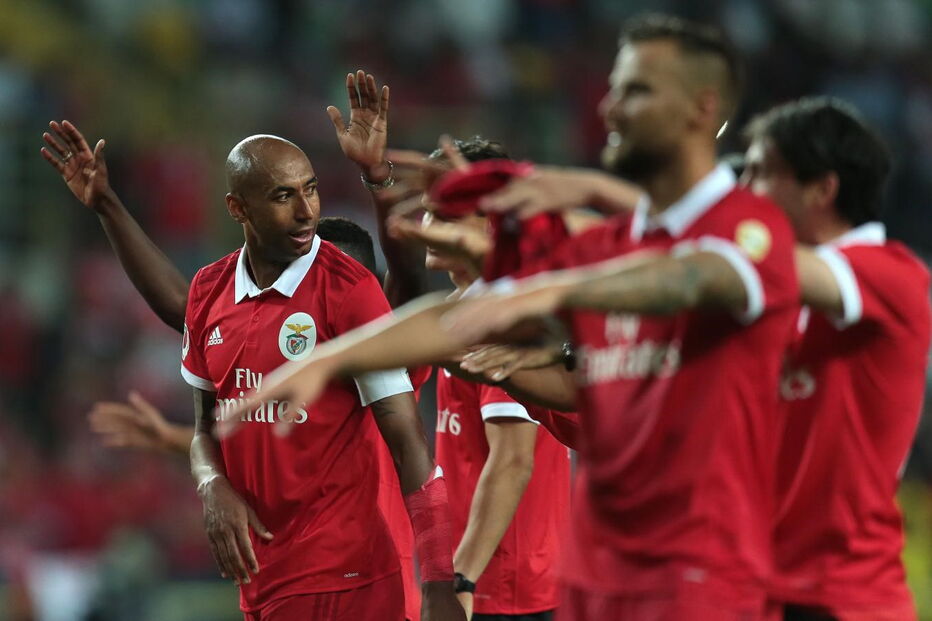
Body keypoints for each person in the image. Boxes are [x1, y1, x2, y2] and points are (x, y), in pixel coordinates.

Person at [226, 14, 799, 621]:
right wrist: (332, 357)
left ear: (701, 109)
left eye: (636, 90)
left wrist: (542, 283)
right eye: (612, 87)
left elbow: (687, 275)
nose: (608, 107)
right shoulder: (612, 246)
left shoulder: (745, 235)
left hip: (710, 589)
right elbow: (464, 324)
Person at [40, 70, 464, 621]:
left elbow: (412, 443)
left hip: (355, 576)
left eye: (310, 190)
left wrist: (438, 582)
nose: (306, 211)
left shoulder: (352, 295)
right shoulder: (213, 292)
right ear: (238, 209)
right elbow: (203, 415)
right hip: (263, 580)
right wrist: (213, 484)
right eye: (285, 196)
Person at [348, 134, 571, 621]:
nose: (428, 225)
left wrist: (460, 583)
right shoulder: (464, 311)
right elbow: (401, 305)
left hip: (506, 588)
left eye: (444, 212)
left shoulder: (505, 319)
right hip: (489, 580)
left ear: (491, 222)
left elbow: (512, 461)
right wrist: (377, 178)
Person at [741, 97, 930, 621]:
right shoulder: (770, 299)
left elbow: (754, 252)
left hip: (846, 597)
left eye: (761, 172)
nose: (743, 190)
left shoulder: (893, 275)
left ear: (823, 189)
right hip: (759, 592)